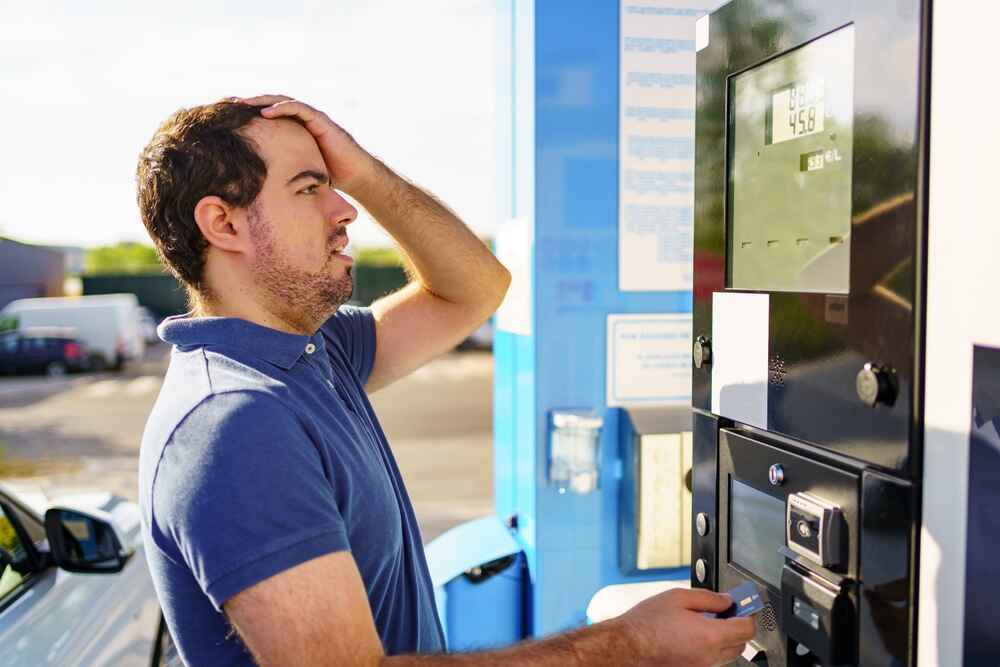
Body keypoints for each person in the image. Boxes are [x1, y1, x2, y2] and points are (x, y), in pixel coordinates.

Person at [136, 96, 755, 666]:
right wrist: (633, 644)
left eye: (336, 185)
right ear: (224, 223)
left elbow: (477, 287)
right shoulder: (235, 422)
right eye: (309, 188)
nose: (345, 208)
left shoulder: (316, 352)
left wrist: (367, 172)